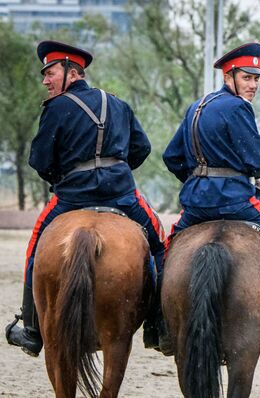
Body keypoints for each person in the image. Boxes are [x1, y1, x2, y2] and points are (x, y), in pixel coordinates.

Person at [5, 41, 166, 356]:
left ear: (70, 71)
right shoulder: (118, 104)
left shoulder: (56, 108)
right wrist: (115, 171)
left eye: (50, 73)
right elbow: (142, 148)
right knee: (160, 244)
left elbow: (39, 160)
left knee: (36, 245)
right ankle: (159, 325)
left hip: (72, 197)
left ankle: (33, 330)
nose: (45, 81)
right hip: (122, 195)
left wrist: (62, 177)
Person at [162, 42, 260, 351]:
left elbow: (172, 156)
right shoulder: (238, 108)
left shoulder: (195, 106)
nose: (252, 85)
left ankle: (159, 325)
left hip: (196, 205)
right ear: (229, 76)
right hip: (237, 201)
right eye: (247, 78)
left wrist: (198, 178)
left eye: (256, 78)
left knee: (167, 253)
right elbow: (257, 161)